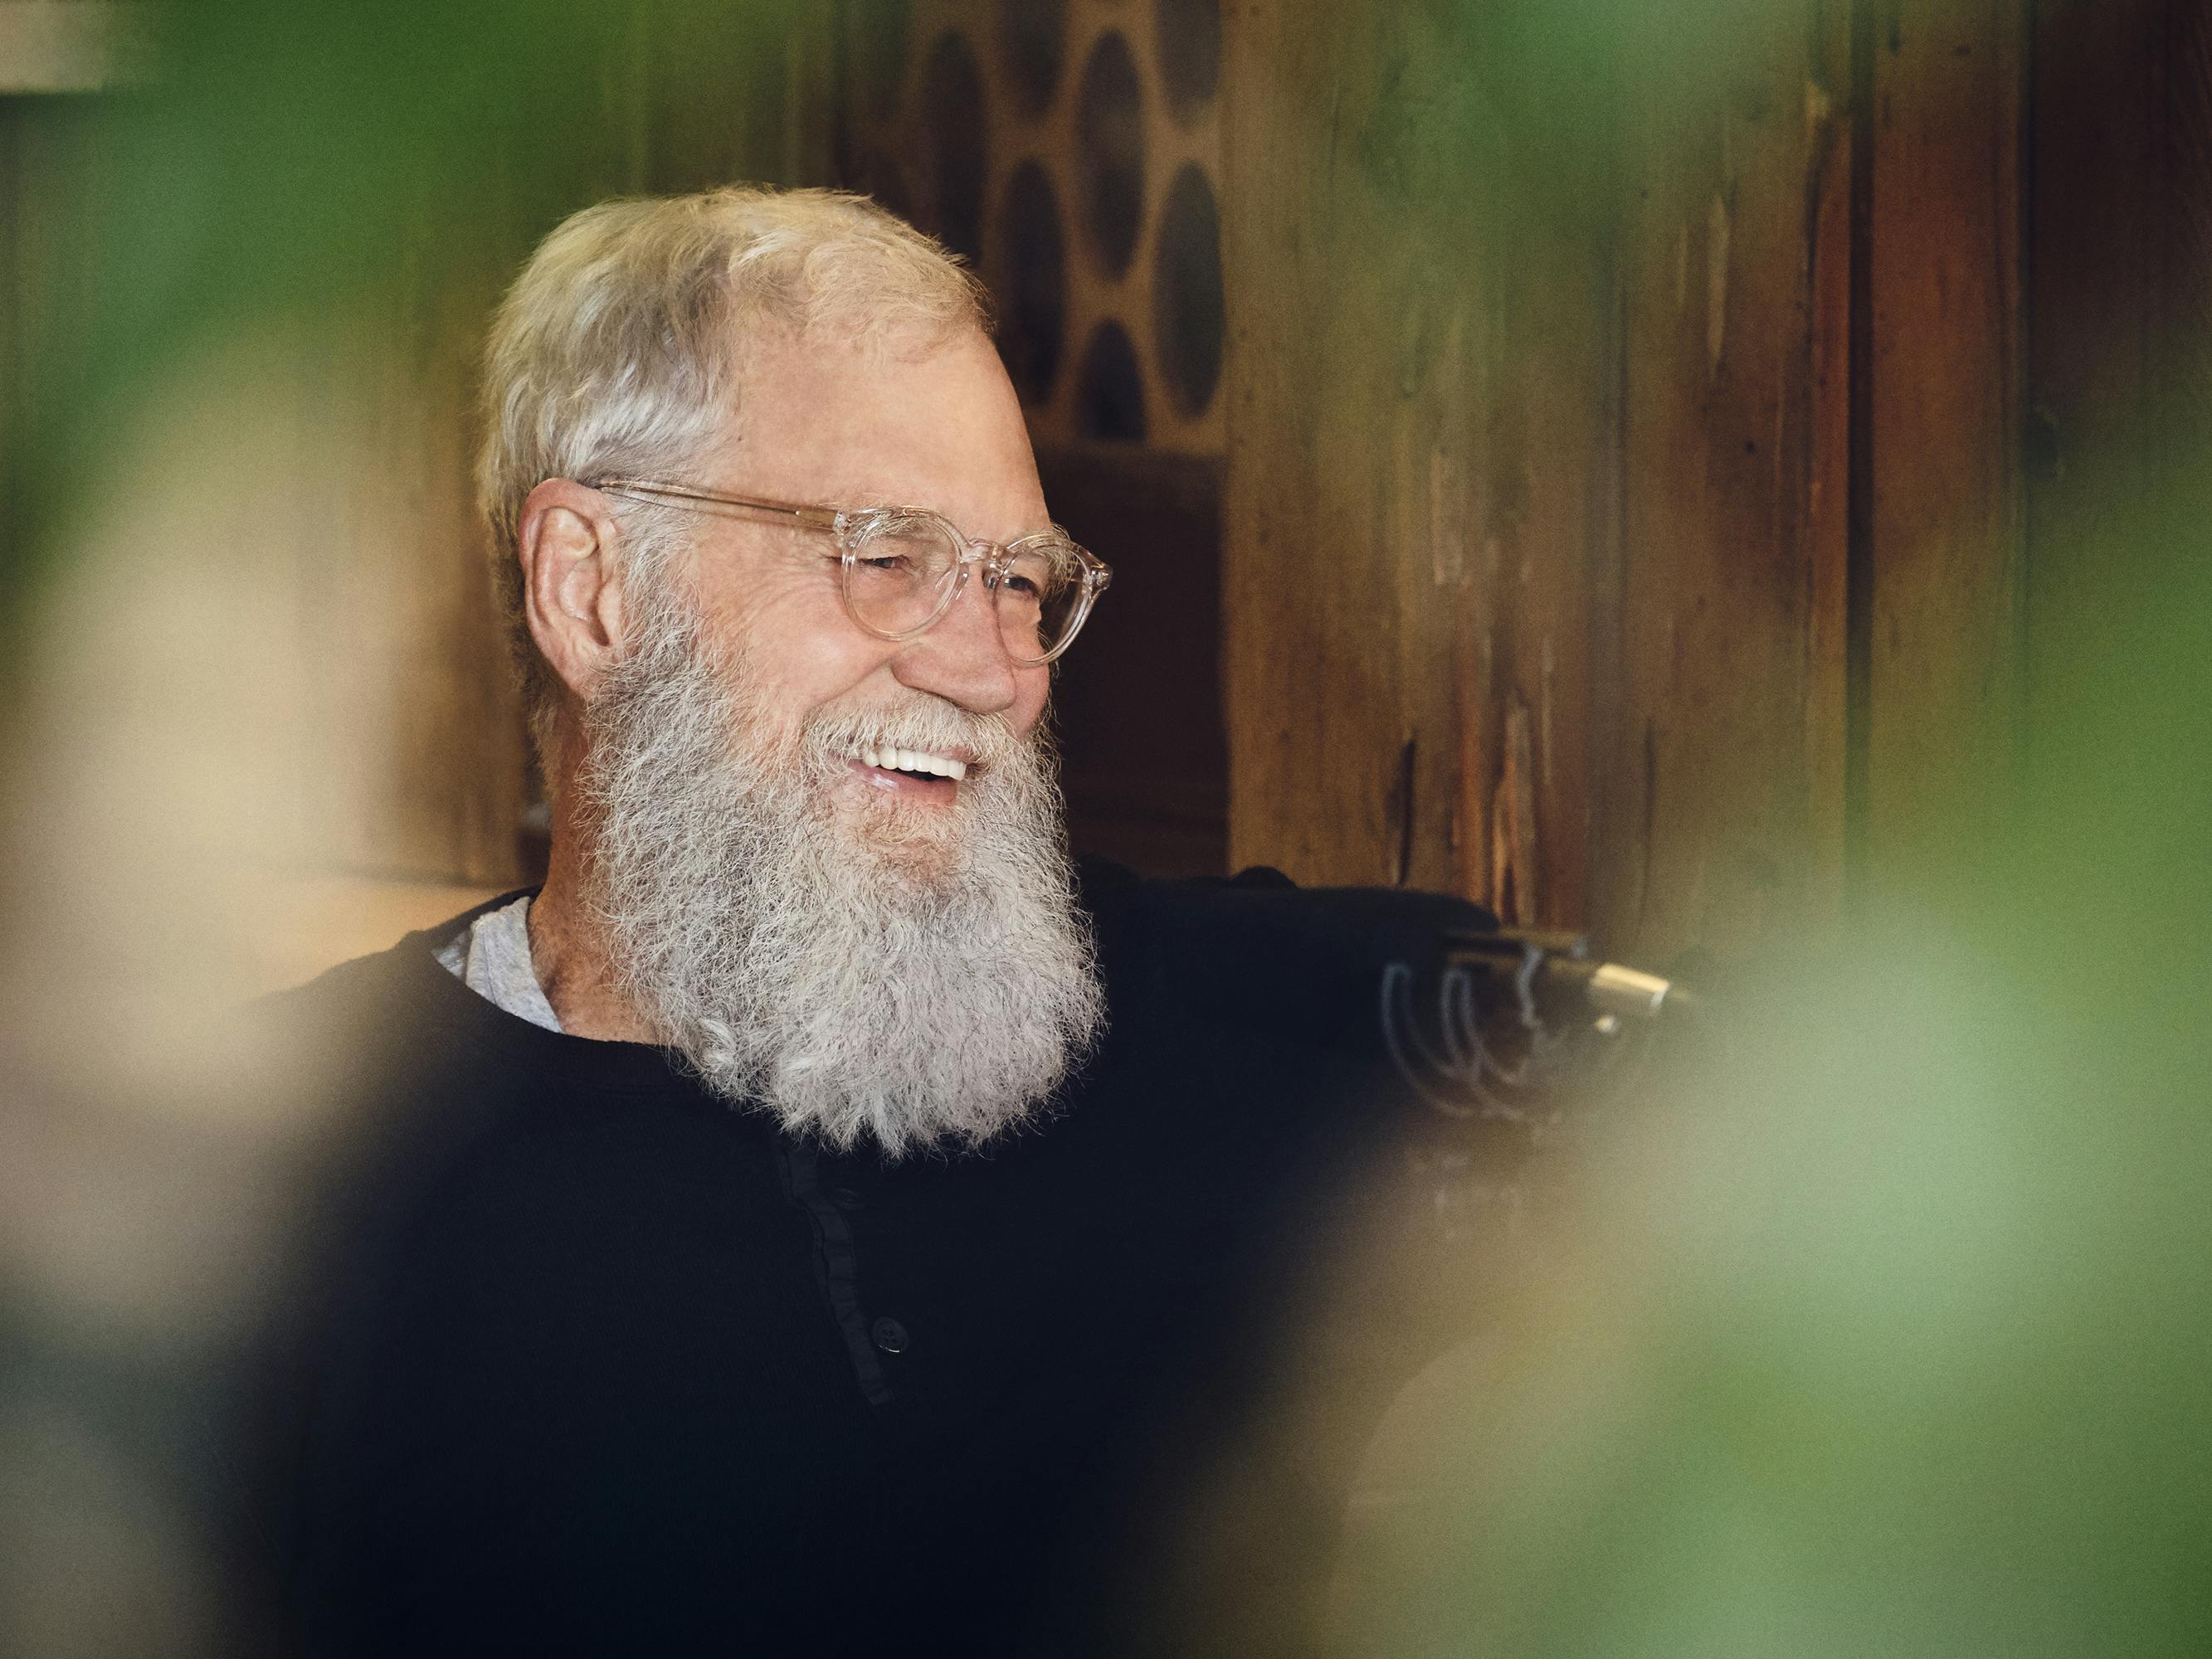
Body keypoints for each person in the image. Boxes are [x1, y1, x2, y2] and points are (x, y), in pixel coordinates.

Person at [260, 186, 1500, 1657]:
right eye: (886, 556)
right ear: (591, 594)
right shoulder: (275, 1201)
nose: (994, 673)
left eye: (1023, 580)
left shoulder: (1238, 1018)